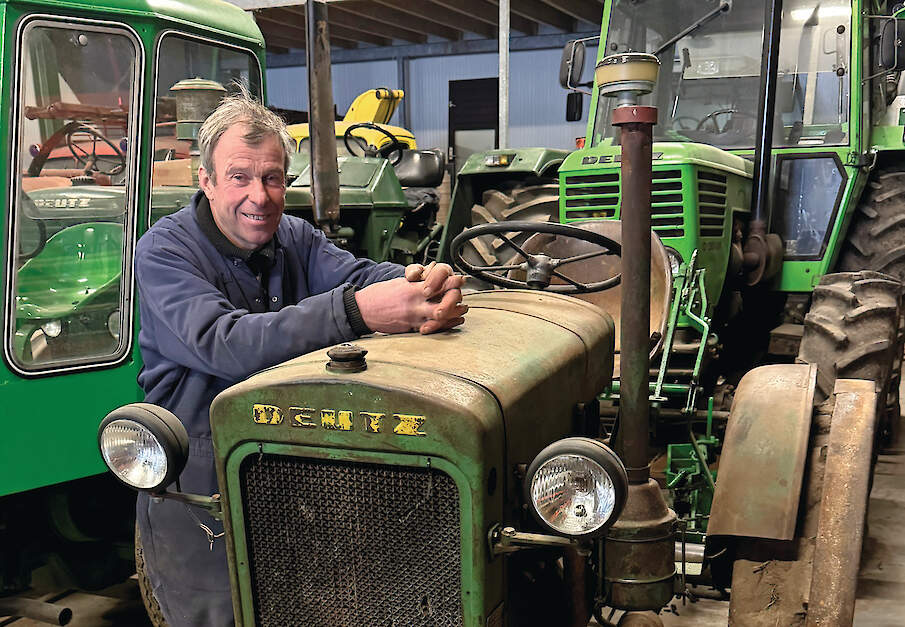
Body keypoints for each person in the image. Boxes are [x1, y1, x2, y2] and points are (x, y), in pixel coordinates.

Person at [133, 90, 466, 626]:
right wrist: (358, 313)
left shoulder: (293, 235)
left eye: (272, 178)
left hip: (289, 454)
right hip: (201, 473)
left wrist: (417, 282)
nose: (259, 196)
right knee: (219, 610)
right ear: (206, 180)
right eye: (239, 177)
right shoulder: (164, 252)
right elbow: (225, 341)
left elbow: (356, 274)